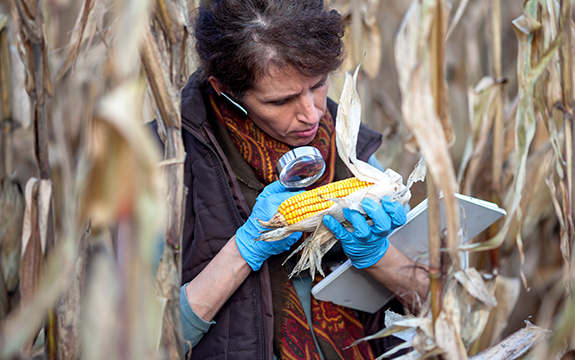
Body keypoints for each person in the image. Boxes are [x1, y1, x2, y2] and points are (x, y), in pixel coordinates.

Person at [157, 1, 431, 359]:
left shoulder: (353, 148)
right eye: (281, 100)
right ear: (224, 90)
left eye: (318, 84)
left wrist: (379, 257)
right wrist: (245, 248)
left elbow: (437, 304)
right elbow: (144, 343)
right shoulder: (165, 163)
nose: (312, 113)